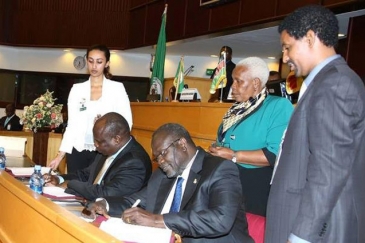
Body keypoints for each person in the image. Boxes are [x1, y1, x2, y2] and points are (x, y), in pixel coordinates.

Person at [265, 5, 365, 243]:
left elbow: (328, 171)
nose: (285, 57)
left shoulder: (335, 85)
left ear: (310, 38)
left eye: (288, 47)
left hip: (318, 232)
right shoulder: (326, 83)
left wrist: (301, 236)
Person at [83, 123, 254, 243]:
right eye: (157, 157)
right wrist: (104, 204)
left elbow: (220, 219)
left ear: (182, 144)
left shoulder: (220, 169)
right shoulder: (162, 175)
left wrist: (158, 220)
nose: (161, 161)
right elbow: (133, 201)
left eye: (163, 153)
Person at [208, 57, 293, 216]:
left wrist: (233, 155)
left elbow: (275, 155)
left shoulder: (278, 106)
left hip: (256, 188)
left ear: (255, 83)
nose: (232, 86)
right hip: (228, 182)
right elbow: (225, 139)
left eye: (238, 81)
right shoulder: (236, 109)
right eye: (233, 80)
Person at [49, 44, 133, 173]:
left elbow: (126, 122)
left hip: (105, 151)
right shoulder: (77, 89)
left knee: (96, 189)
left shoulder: (117, 89)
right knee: (74, 187)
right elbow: (72, 125)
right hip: (78, 149)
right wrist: (60, 155)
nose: (94, 66)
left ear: (107, 63)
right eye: (91, 61)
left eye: (99, 62)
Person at [43, 112, 151, 201]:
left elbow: (104, 193)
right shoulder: (107, 149)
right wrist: (59, 179)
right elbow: (85, 174)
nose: (95, 145)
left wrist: (69, 184)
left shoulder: (135, 163)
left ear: (116, 139)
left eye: (99, 142)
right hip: (90, 204)